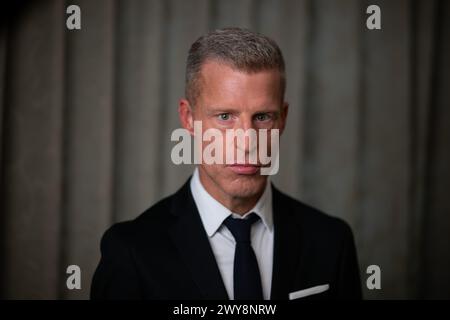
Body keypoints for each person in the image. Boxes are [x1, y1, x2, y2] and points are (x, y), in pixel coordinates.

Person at [91, 27, 362, 300]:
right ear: (188, 118)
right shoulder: (131, 252)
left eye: (263, 117)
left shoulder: (331, 241)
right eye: (224, 117)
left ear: (282, 119)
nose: (247, 143)